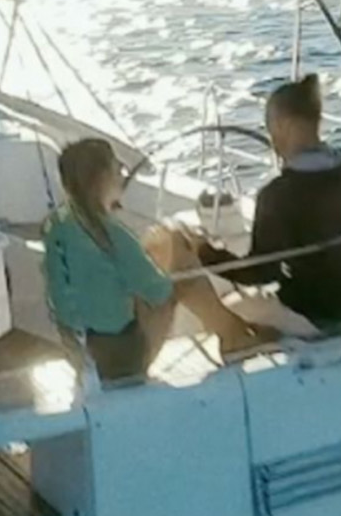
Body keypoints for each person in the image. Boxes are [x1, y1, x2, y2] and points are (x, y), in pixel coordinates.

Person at [42, 139, 270, 380]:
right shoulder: (113, 235)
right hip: (122, 364)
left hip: (81, 356)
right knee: (185, 268)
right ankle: (234, 336)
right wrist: (186, 249)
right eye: (116, 166)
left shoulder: (56, 224)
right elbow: (159, 292)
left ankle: (233, 331)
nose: (122, 170)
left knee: (165, 240)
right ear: (102, 178)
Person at [196, 73, 341, 334]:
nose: (271, 137)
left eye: (270, 125)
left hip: (312, 314)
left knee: (229, 309)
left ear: (284, 125)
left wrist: (205, 254)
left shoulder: (278, 196)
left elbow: (261, 274)